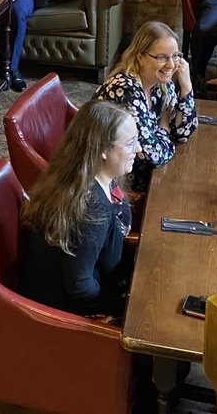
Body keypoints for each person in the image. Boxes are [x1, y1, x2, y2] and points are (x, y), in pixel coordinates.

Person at [19, 100, 137, 320]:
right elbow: (80, 285)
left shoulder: (86, 175)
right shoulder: (93, 208)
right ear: (103, 149)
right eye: (130, 143)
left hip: (92, 283)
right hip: (63, 310)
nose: (138, 149)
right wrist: (117, 309)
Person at [94, 21, 196, 194]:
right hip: (114, 177)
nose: (171, 65)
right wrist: (164, 129)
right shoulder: (126, 91)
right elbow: (152, 156)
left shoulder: (160, 83)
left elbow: (183, 133)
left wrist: (186, 87)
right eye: (162, 57)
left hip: (138, 169)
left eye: (176, 55)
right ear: (140, 57)